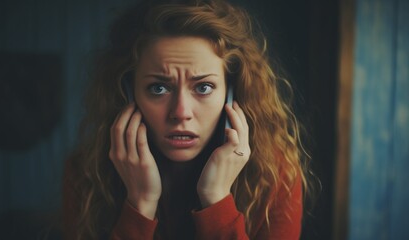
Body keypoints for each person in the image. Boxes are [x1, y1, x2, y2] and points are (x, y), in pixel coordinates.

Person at [63, 0, 312, 239]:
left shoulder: (276, 176)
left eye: (203, 88)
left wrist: (216, 200)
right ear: (128, 93)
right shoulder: (87, 174)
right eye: (159, 88)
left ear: (231, 93)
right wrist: (140, 203)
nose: (181, 112)